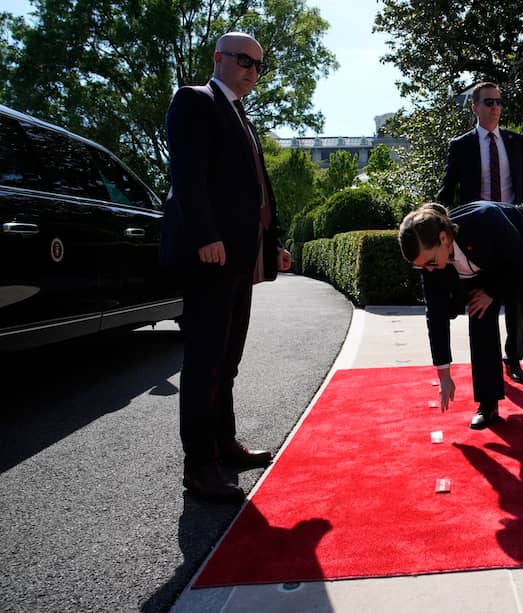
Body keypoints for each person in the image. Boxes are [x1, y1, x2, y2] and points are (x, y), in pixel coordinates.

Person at [160, 32, 293, 502]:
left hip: (241, 255)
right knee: (204, 362)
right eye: (244, 61)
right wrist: (205, 235)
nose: (253, 72)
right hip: (210, 255)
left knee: (228, 360)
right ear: (218, 58)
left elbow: (253, 188)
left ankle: (223, 445)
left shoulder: (241, 114)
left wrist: (270, 242)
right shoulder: (194, 100)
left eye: (259, 65)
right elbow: (188, 175)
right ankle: (199, 468)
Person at [398, 201, 523, 429]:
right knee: (479, 315)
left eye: (431, 262)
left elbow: (519, 258)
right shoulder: (430, 262)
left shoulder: (485, 221)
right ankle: (488, 404)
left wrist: (492, 292)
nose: (429, 270)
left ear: (444, 239)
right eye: (421, 267)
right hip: (488, 264)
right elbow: (435, 315)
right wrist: (444, 375)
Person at [436, 81, 523, 385]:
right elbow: (447, 188)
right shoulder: (461, 145)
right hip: (477, 238)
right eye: (489, 102)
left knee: (516, 301)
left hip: (512, 230)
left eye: (499, 102)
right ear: (475, 107)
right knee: (481, 307)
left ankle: (513, 359)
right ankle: (488, 391)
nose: (495, 107)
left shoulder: (515, 142)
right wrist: (432, 220)